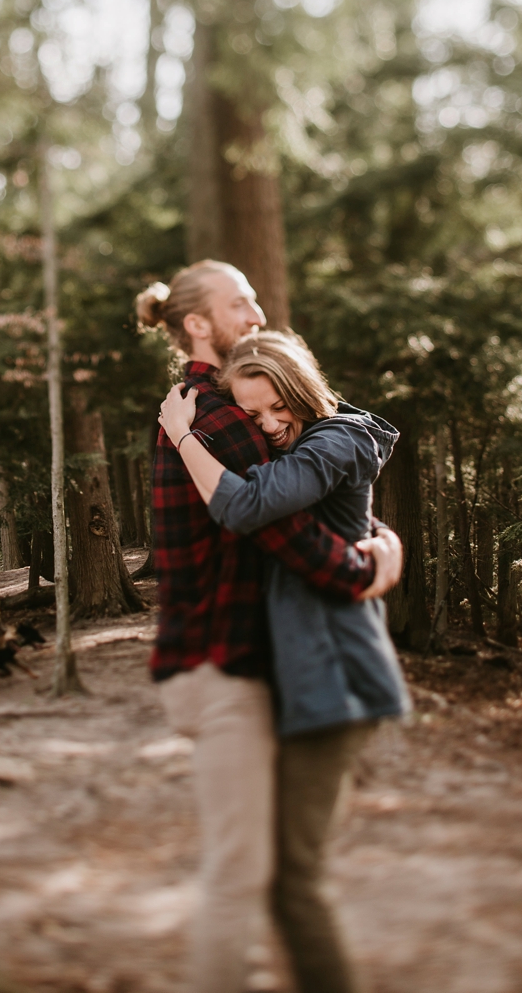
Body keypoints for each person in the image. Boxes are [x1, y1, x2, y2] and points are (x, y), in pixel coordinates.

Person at [136, 260, 402, 993]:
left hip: (227, 657)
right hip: (226, 660)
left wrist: (378, 533)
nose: (258, 311)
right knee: (244, 876)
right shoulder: (215, 414)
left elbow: (324, 479)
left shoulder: (212, 403)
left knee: (276, 874)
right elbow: (282, 529)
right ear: (198, 322)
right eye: (240, 301)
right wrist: (369, 570)